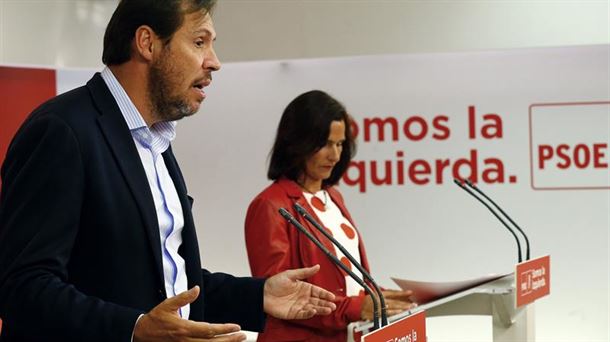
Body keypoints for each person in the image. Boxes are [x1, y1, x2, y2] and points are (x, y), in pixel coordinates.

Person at [0, 1, 337, 341]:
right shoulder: (61, 130)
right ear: (147, 43)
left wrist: (259, 295)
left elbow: (164, 284)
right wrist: (134, 329)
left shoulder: (156, 142)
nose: (214, 62)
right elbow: (21, 287)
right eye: (199, 42)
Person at [244, 90, 416, 341]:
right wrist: (357, 308)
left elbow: (348, 282)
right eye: (324, 144)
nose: (335, 155)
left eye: (339, 144)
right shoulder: (269, 205)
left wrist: (386, 297)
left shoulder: (334, 196)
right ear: (297, 142)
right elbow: (280, 297)